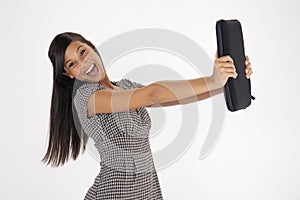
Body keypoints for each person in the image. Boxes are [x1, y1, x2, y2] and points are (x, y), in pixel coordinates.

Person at [41, 32, 253, 199]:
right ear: (69, 75)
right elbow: (152, 95)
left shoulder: (124, 86)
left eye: (82, 52)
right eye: (72, 64)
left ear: (92, 46)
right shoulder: (87, 97)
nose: (83, 62)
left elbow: (172, 98)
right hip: (114, 195)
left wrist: (227, 81)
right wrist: (213, 80)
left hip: (147, 190)